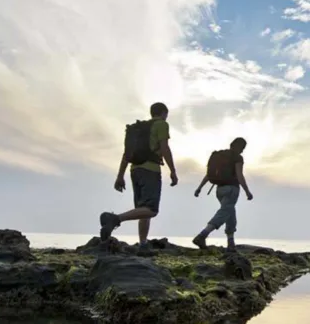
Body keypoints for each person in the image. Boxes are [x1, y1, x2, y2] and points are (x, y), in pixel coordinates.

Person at [99, 102, 178, 253]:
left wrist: (120, 176)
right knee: (151, 210)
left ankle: (143, 244)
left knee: (142, 209)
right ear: (163, 113)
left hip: (134, 170)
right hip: (150, 169)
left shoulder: (138, 130)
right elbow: (164, 148)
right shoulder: (161, 124)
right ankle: (115, 219)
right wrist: (173, 171)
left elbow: (126, 154)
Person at [192, 137, 253, 251]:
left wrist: (199, 188)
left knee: (230, 212)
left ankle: (231, 243)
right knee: (224, 212)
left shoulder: (219, 156)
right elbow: (239, 175)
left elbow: (209, 174)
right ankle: (202, 235)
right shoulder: (237, 157)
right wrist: (247, 191)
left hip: (219, 190)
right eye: (243, 148)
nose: (243, 150)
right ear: (239, 147)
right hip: (231, 189)